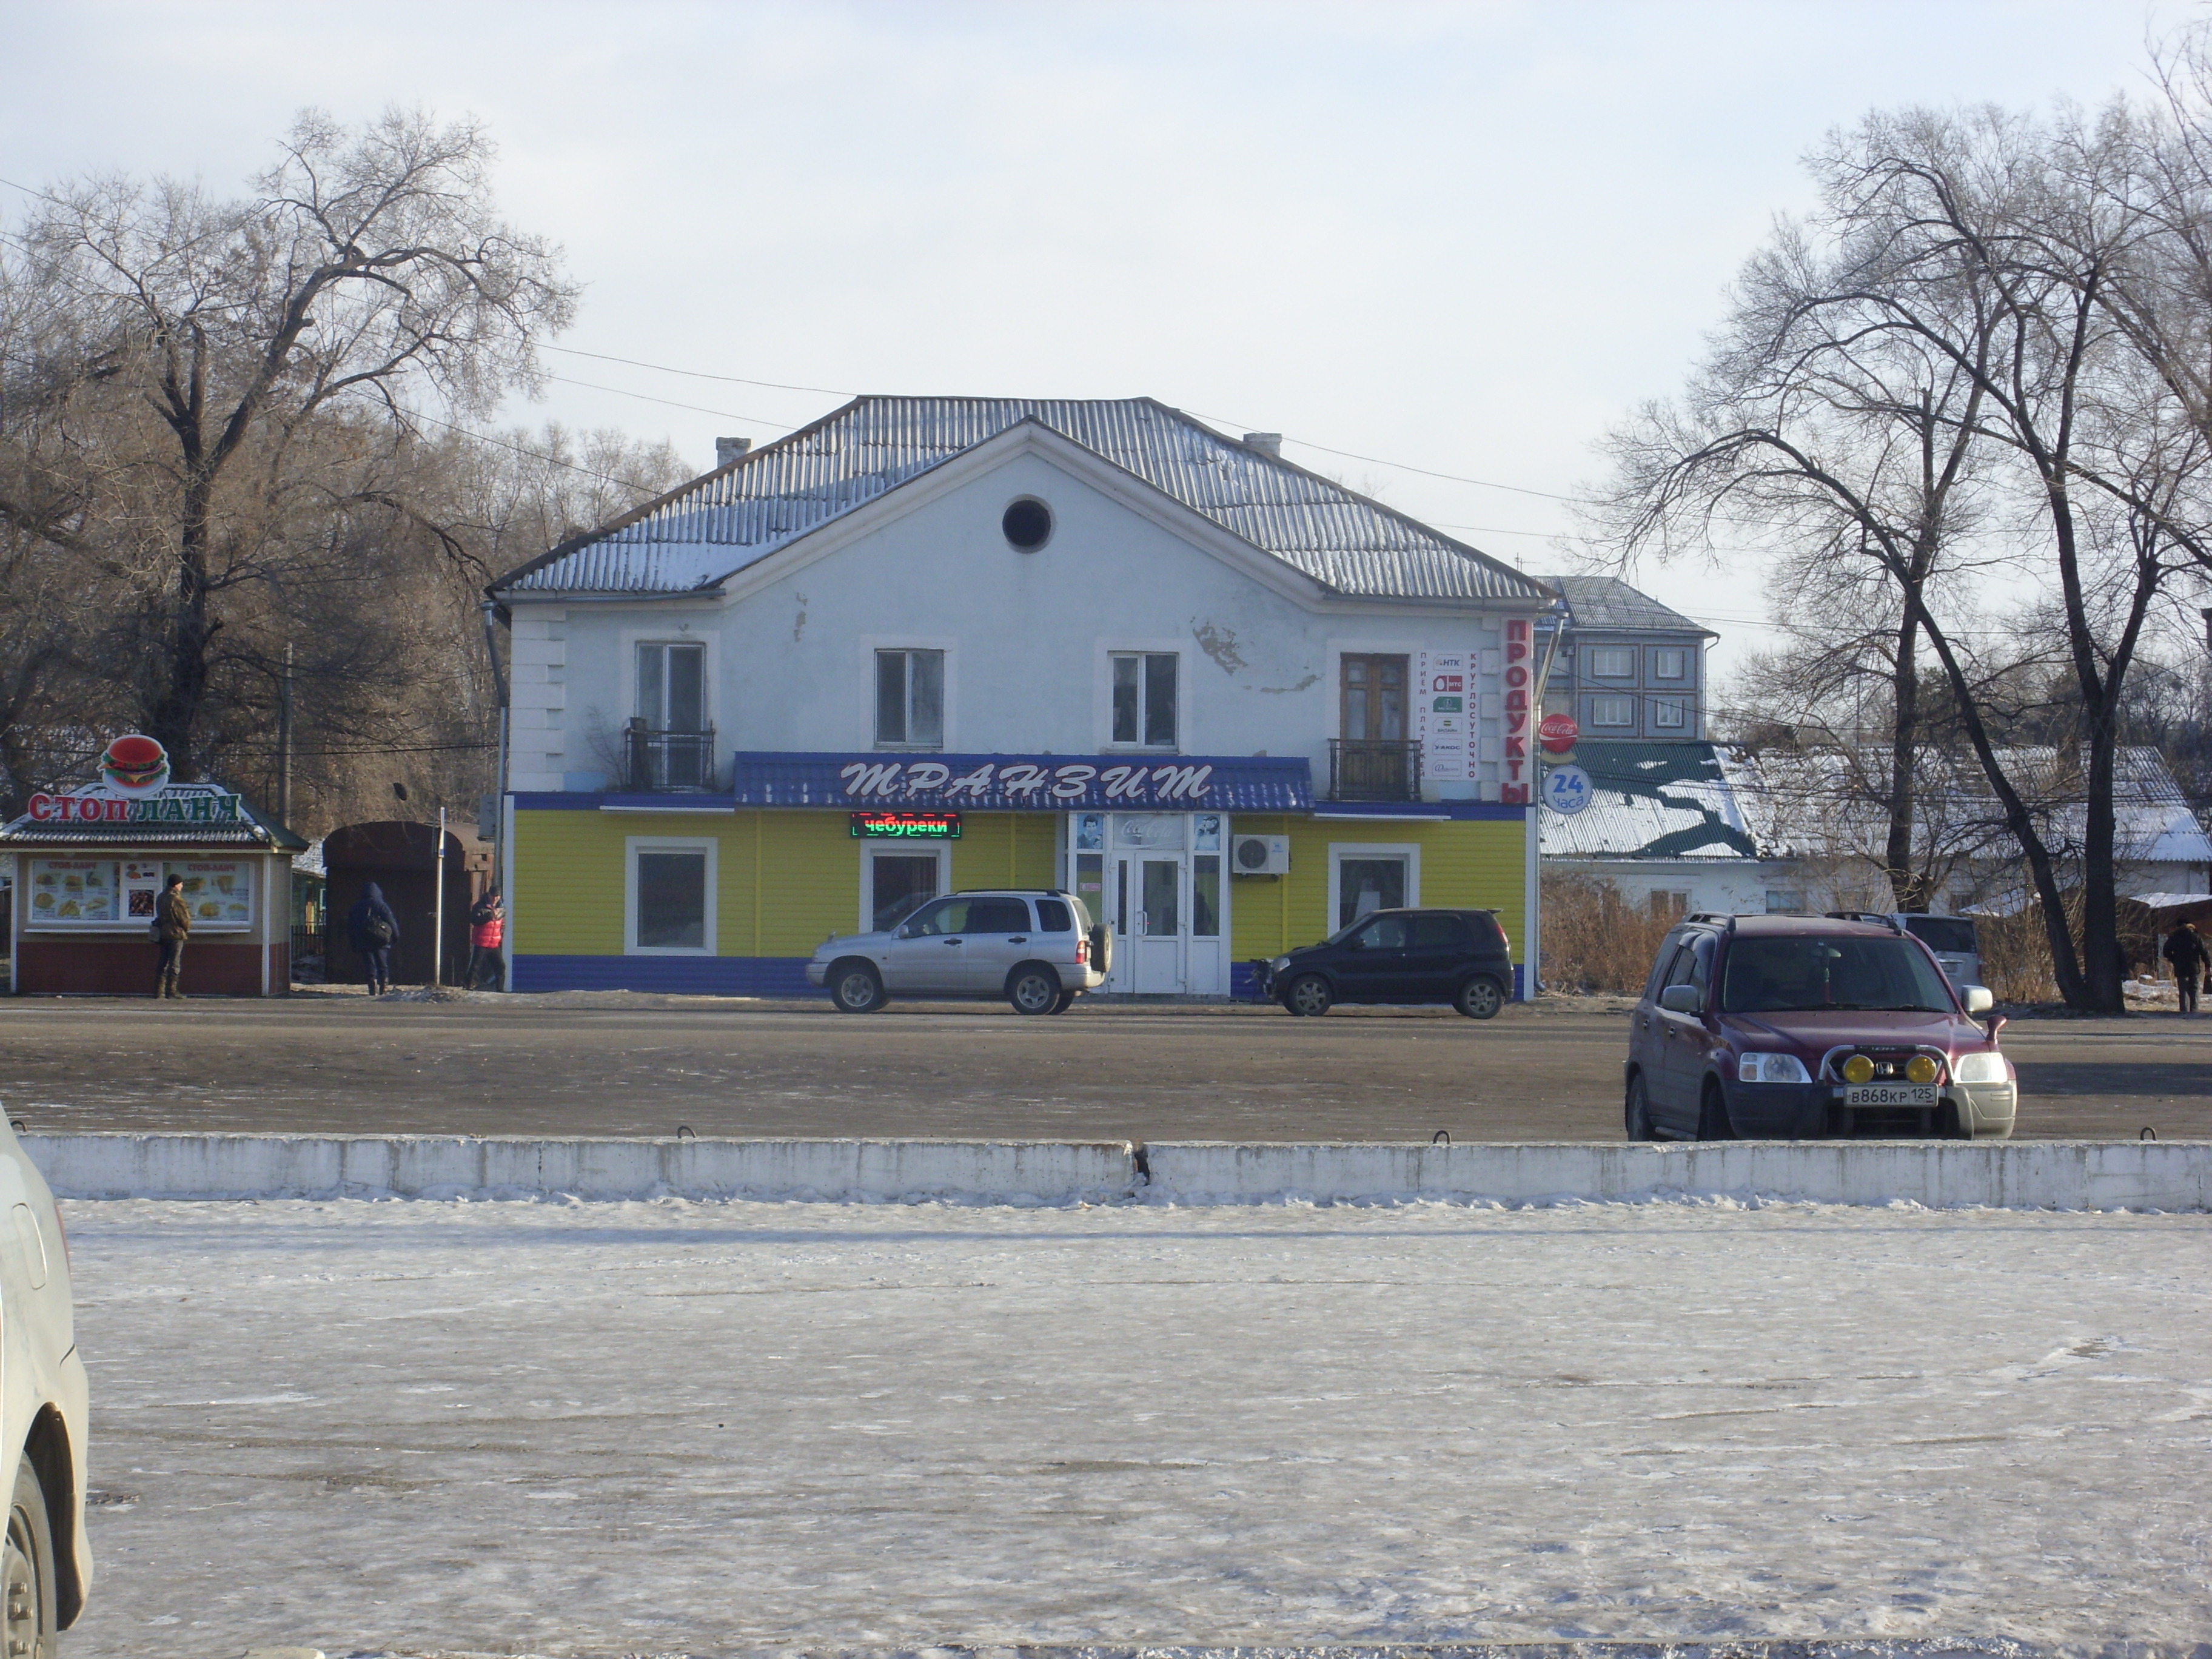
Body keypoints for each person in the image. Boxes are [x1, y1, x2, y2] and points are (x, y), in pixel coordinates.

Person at [347, 881, 400, 996]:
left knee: (370, 964)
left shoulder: (357, 906)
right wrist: (395, 936)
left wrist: (354, 943)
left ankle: (372, 987)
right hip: (381, 940)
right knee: (383, 964)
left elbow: (351, 926)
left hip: (364, 940)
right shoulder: (381, 905)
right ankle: (384, 987)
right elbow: (391, 921)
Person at [153, 874, 190, 999]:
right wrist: (186, 928)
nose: (182, 886)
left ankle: (159, 991)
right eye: (181, 883)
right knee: (175, 962)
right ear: (176, 884)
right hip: (175, 933)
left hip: (163, 933)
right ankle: (172, 990)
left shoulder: (161, 897)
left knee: (163, 961)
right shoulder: (176, 899)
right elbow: (183, 919)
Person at [2162, 920, 2210, 1015]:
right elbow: (2204, 952)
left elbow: (2166, 951)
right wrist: (2208, 965)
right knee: (2194, 989)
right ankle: (2194, 1011)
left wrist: (2174, 959)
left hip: (2180, 967)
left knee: (2183, 989)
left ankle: (2184, 1011)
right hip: (2194, 967)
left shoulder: (2174, 937)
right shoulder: (2196, 937)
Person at [466, 888, 504, 990]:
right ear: (489, 895)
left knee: (500, 967)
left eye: (497, 896)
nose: (495, 898)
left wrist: (501, 936)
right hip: (481, 941)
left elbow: (501, 924)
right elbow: (475, 921)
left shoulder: (501, 908)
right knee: (475, 966)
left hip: (494, 943)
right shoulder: (480, 906)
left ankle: (500, 990)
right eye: (493, 896)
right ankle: (468, 986)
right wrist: (489, 917)